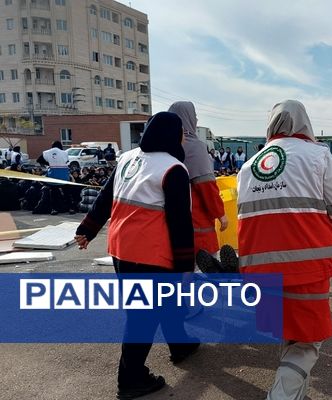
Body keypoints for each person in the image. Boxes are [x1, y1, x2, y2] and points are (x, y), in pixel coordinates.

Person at [237, 100, 332, 400]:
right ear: (305, 123)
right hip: (304, 267)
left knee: (289, 332)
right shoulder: (317, 156)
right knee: (307, 342)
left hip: (259, 270)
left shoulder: (249, 165)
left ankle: (296, 394)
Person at [74, 112, 198, 399]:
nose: (182, 137)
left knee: (160, 304)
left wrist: (88, 229)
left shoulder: (128, 158)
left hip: (121, 248)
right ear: (173, 135)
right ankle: (130, 379)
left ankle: (180, 345)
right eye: (181, 132)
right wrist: (185, 267)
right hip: (150, 254)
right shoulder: (174, 169)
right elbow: (180, 223)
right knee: (143, 316)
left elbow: (106, 197)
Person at [168, 101, 228, 257]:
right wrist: (221, 214)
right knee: (203, 271)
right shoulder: (195, 146)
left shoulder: (164, 145)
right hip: (196, 224)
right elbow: (206, 186)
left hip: (167, 225)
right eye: (194, 116)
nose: (196, 120)